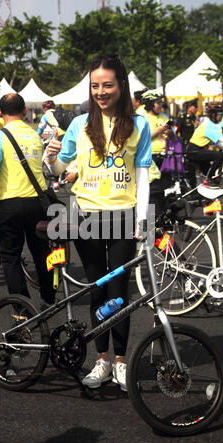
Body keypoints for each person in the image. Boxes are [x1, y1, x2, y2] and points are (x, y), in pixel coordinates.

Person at [45, 54, 152, 392]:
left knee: (119, 295)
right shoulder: (78, 124)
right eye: (95, 86)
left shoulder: (140, 124)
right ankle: (101, 360)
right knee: (97, 291)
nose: (101, 92)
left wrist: (143, 221)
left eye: (107, 85)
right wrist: (50, 159)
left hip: (123, 217)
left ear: (122, 85)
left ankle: (121, 362)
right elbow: (60, 171)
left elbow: (143, 176)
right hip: (85, 217)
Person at [0, 93, 56, 306]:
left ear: (0, 113)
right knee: (41, 252)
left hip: (10, 203)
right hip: (38, 203)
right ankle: (49, 299)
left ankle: (22, 307)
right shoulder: (35, 136)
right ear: (24, 111)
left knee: (10, 256)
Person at [185, 101, 223, 188]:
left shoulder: (210, 124)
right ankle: (207, 180)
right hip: (194, 151)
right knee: (219, 155)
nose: (222, 117)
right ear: (213, 114)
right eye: (220, 114)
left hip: (197, 151)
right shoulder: (208, 125)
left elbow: (217, 142)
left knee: (212, 177)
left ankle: (206, 184)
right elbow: (222, 138)